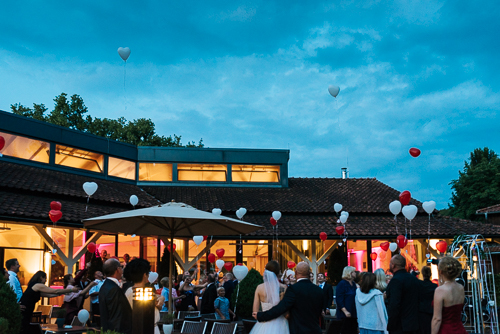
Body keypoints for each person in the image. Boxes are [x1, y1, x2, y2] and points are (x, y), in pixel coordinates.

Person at [255, 261, 324, 334]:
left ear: (296, 273)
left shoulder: (293, 289)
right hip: (315, 331)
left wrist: (261, 316)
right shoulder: (319, 290)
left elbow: (280, 308)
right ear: (309, 273)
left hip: (298, 330)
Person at [123, 258, 164, 334]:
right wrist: (159, 299)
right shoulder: (136, 292)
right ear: (145, 275)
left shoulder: (130, 290)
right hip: (146, 328)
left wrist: (160, 298)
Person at [251, 260, 290, 334]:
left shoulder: (259, 288)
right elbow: (287, 312)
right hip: (281, 324)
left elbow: (255, 312)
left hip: (264, 324)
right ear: (278, 273)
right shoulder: (284, 288)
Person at [431, 257, 467, 334]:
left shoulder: (440, 290)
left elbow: (437, 319)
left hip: (445, 330)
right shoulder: (460, 288)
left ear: (441, 272)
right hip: (459, 329)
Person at [386, 254, 420, 334]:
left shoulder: (396, 281)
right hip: (413, 323)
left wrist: (391, 325)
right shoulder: (413, 279)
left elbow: (394, 305)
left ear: (393, 265)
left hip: (400, 325)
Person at [99, 258, 132, 334]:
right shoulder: (113, 288)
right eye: (121, 267)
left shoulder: (105, 286)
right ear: (118, 269)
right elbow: (117, 315)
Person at [336, 266, 358, 334]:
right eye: (354, 272)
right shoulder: (342, 284)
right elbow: (339, 299)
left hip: (353, 312)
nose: (355, 273)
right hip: (345, 313)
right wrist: (345, 311)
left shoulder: (353, 284)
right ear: (350, 273)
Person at [418, 266, 437, 334]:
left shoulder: (419, 284)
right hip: (431, 310)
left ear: (422, 274)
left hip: (421, 310)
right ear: (430, 274)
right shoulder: (434, 286)